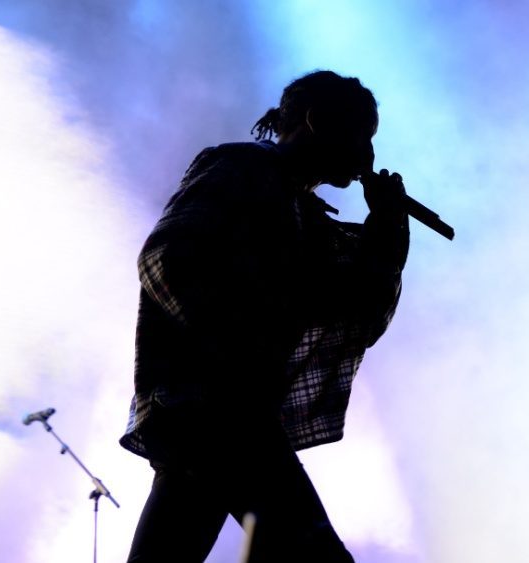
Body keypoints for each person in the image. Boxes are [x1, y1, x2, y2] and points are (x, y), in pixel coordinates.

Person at [120, 70, 410, 563]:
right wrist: (229, 351)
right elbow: (166, 256)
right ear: (316, 122)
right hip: (218, 409)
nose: (368, 154)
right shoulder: (243, 168)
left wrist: (386, 231)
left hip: (220, 415)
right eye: (361, 135)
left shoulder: (305, 215)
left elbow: (355, 312)